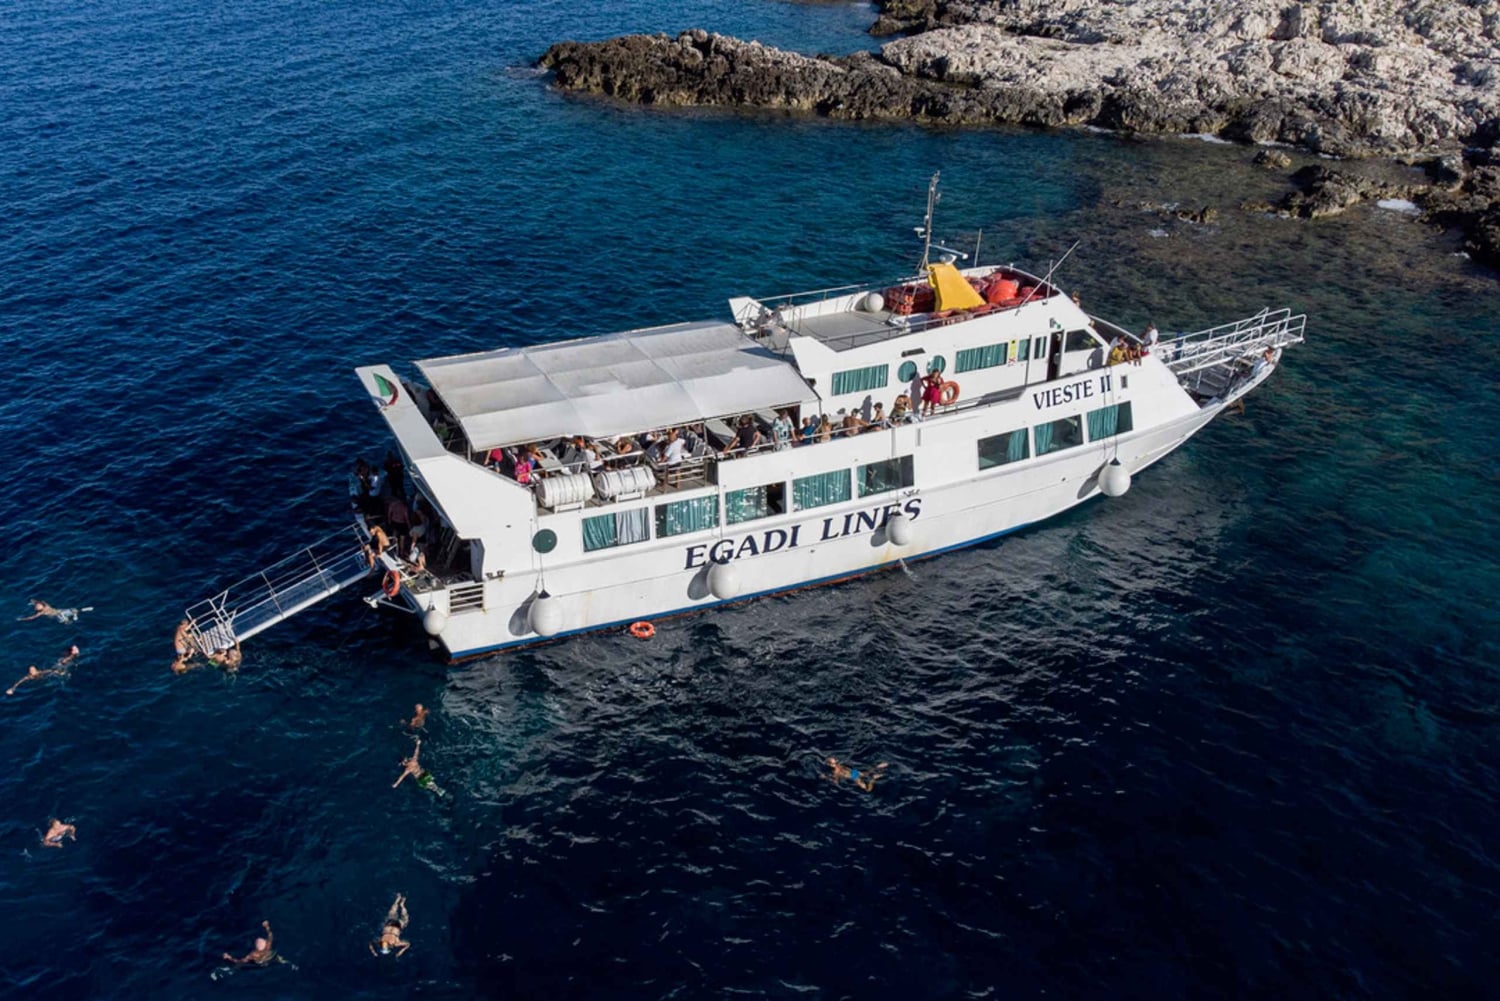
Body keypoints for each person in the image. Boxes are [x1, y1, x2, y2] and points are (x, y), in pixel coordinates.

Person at [19, 599, 88, 624]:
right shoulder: (41, 612)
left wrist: (33, 601)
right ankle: (69, 619)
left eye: (37, 605)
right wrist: (22, 619)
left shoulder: (46, 606)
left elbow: (41, 601)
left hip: (60, 612)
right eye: (36, 606)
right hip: (57, 616)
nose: (36, 606)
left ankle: (75, 614)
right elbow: (32, 617)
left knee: (74, 609)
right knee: (66, 621)